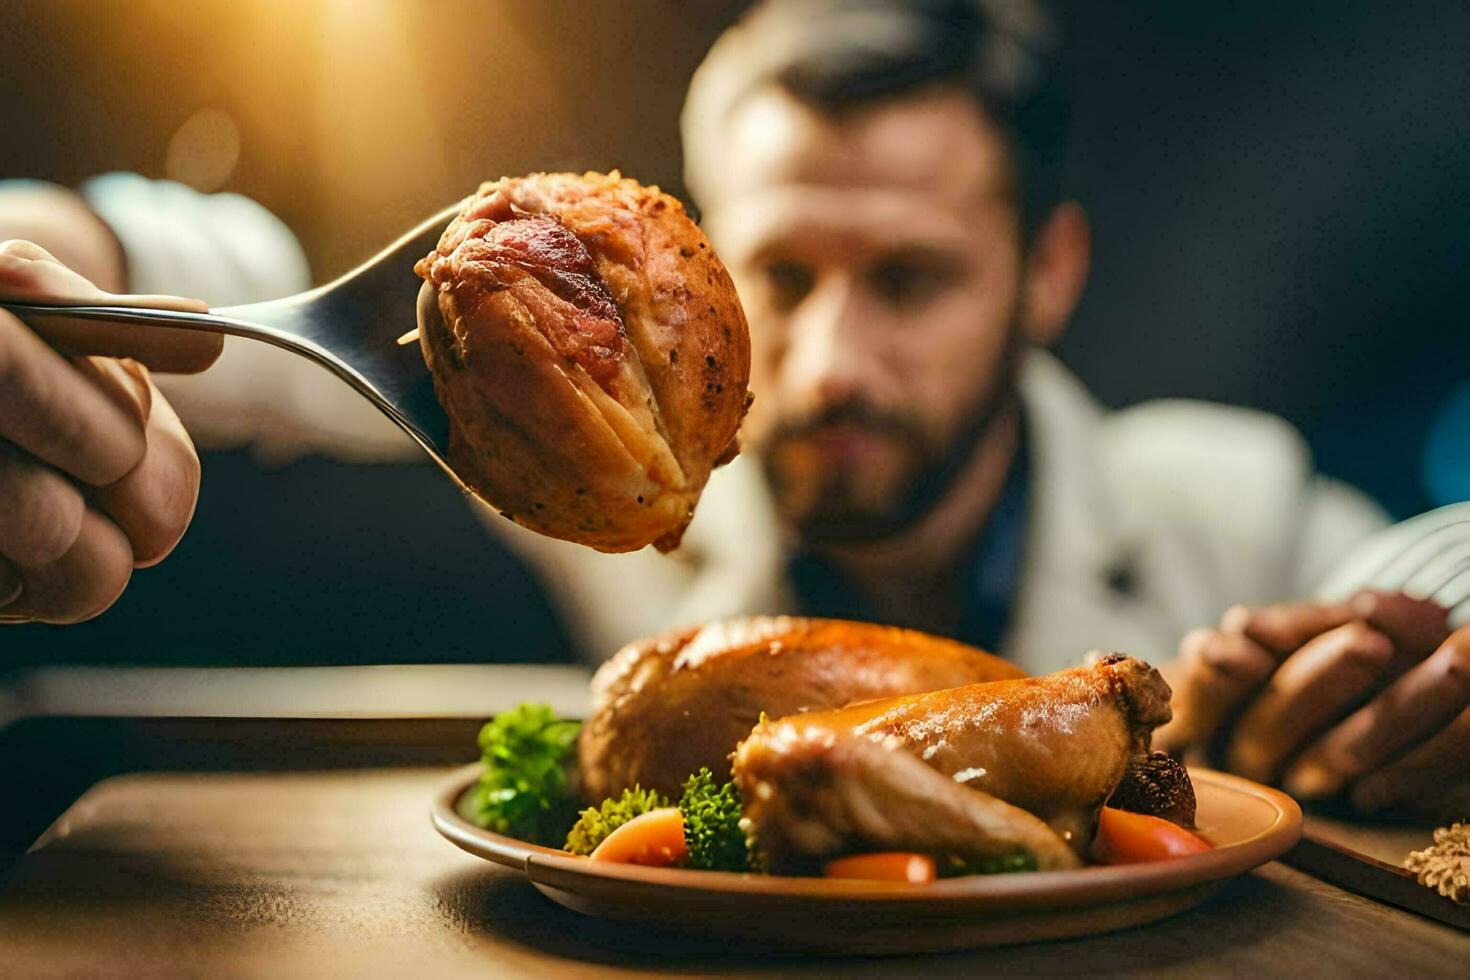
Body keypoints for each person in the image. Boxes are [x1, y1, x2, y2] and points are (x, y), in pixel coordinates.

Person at [2, 0, 1459, 813]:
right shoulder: (613, 473)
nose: (827, 362)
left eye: (909, 279)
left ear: (1047, 271)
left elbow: (1418, 572)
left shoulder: (1225, 503)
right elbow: (279, 330)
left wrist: (1428, 647)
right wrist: (72, 251)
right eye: (780, 273)